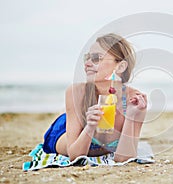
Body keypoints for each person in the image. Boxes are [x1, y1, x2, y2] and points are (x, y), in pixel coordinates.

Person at [42, 33, 147, 162]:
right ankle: (65, 113)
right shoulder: (76, 92)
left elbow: (124, 158)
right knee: (66, 120)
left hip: (83, 119)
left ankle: (67, 112)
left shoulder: (134, 101)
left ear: (120, 66)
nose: (87, 64)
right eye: (87, 58)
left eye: (96, 58)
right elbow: (75, 156)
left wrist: (132, 116)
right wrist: (90, 127)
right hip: (65, 129)